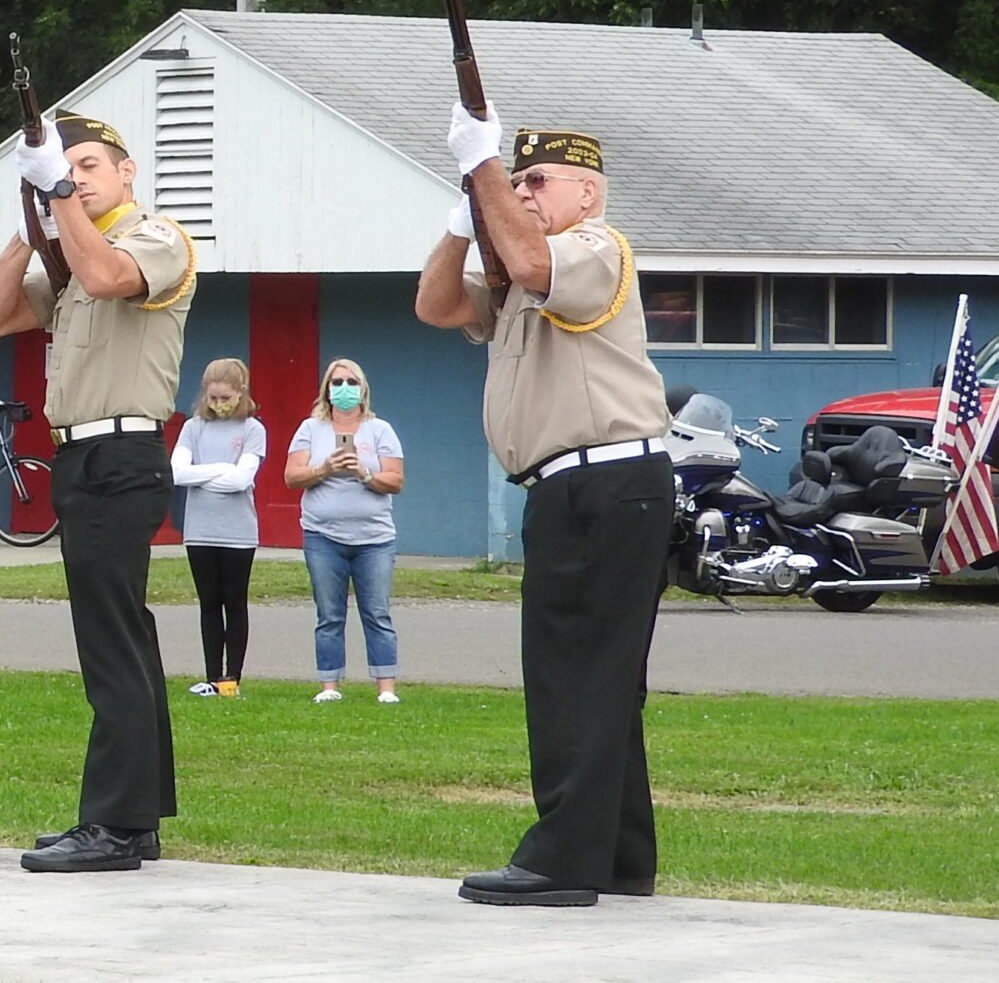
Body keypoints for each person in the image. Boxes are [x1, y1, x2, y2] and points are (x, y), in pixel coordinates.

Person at [416, 118, 672, 907]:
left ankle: (563, 860)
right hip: (571, 489)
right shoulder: (525, 276)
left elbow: (531, 257)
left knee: (573, 678)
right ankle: (621, 855)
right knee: (598, 678)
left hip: (605, 481)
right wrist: (464, 217)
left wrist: (484, 161)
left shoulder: (594, 248)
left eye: (539, 181)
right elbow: (434, 304)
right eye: (516, 181)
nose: (522, 192)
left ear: (587, 192)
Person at [0, 110, 196, 874]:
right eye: (70, 165)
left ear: (127, 172)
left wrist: (60, 196)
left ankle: (116, 825)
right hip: (81, 457)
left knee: (111, 645)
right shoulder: (67, 245)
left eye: (93, 163)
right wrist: (30, 224)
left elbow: (106, 276)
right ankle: (138, 817)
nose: (82, 175)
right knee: (120, 636)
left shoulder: (155, 236)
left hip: (122, 450)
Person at [286, 356, 404, 705]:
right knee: (329, 614)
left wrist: (364, 474)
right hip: (322, 537)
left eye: (351, 382)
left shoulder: (379, 430)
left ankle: (386, 689)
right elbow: (292, 477)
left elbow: (396, 481)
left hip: (374, 540)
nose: (344, 389)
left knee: (377, 612)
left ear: (363, 389)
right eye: (337, 383)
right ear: (326, 390)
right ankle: (329, 686)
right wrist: (324, 468)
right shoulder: (311, 429)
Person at [171, 357, 265, 698]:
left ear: (240, 393)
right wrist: (221, 470)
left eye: (226, 398)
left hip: (238, 534)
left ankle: (231, 679)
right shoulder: (193, 427)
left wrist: (205, 473)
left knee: (234, 603)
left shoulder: (253, 429)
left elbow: (242, 479)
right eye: (214, 398)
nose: (219, 404)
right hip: (200, 531)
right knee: (209, 603)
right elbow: (179, 473)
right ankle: (211, 677)